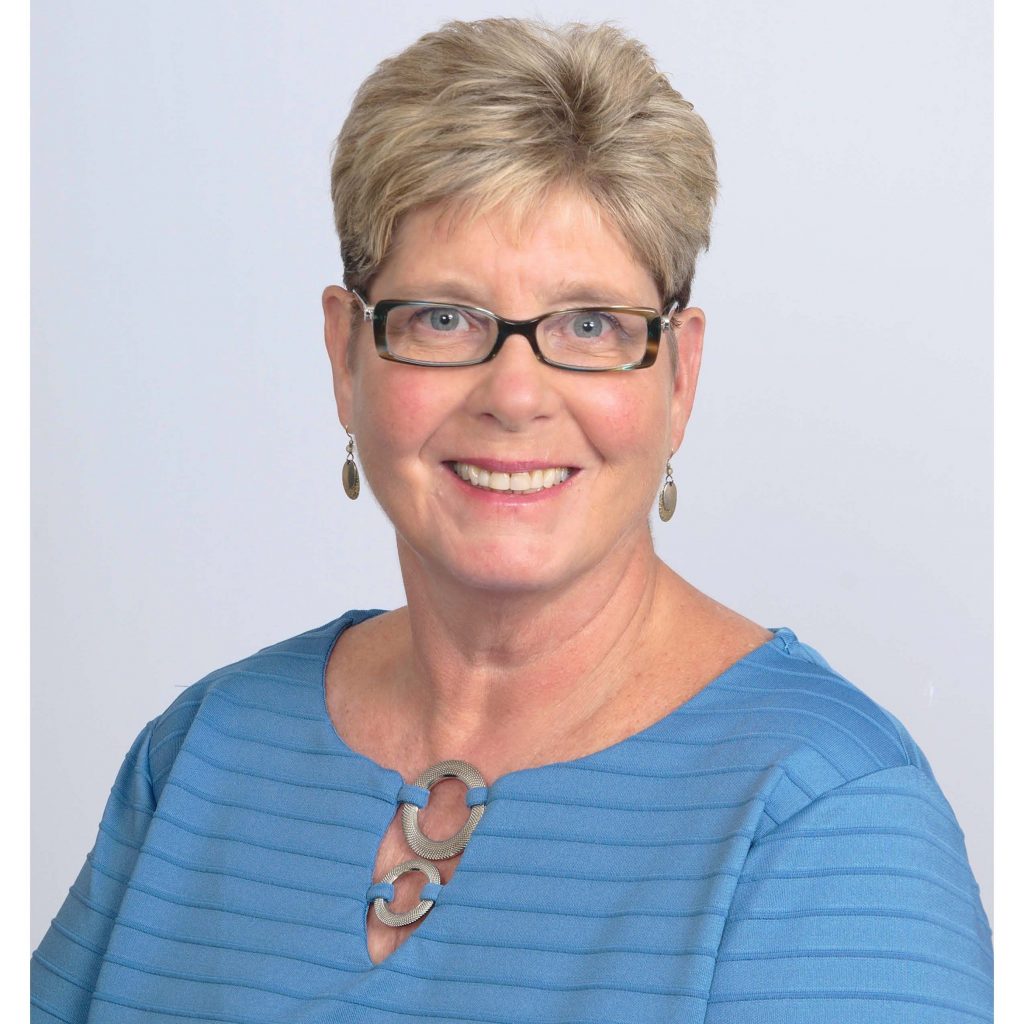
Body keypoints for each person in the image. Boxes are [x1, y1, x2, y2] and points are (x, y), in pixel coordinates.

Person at [31, 17, 992, 1024]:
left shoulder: (823, 819)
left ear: (679, 374)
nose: (516, 393)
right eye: (444, 318)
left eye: (590, 325)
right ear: (345, 356)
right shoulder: (200, 753)